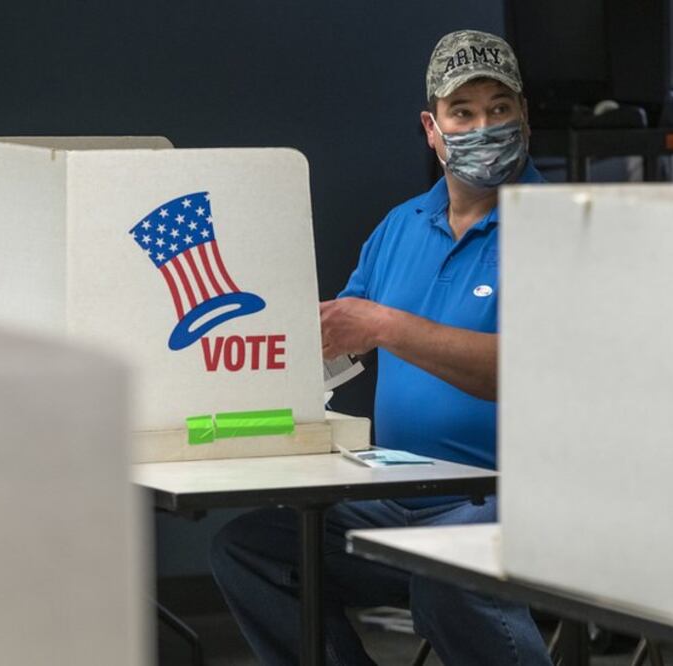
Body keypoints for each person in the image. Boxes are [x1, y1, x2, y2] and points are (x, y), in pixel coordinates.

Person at [210, 30, 551, 665]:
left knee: (445, 570)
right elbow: (342, 336)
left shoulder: (565, 224)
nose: (484, 126)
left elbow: (526, 371)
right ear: (432, 127)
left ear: (525, 117)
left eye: (499, 108)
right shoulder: (401, 227)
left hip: (524, 497)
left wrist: (386, 324)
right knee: (252, 549)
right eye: (463, 113)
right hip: (399, 495)